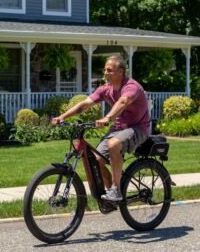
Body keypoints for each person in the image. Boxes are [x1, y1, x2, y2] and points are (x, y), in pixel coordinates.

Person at [52, 55, 150, 201]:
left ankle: (116, 190)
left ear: (121, 71)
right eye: (104, 70)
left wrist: (107, 118)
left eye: (109, 70)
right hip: (119, 128)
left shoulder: (131, 86)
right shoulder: (106, 89)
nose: (105, 73)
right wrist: (62, 117)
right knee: (97, 159)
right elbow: (85, 104)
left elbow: (123, 102)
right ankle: (112, 195)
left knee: (114, 144)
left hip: (138, 128)